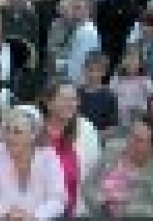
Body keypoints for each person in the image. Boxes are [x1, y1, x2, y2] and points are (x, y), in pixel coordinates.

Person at [83, 112, 153, 218]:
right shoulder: (112, 149)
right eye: (131, 135)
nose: (130, 141)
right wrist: (102, 202)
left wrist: (128, 210)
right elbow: (87, 185)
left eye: (139, 140)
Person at [0, 106, 67, 220]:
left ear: (33, 135)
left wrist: (35, 217)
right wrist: (5, 214)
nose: (10, 137)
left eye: (17, 132)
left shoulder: (48, 155)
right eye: (8, 131)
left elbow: (58, 198)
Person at [40, 78, 101, 217]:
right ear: (49, 103)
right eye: (63, 98)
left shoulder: (87, 129)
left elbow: (94, 172)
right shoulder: (36, 129)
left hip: (77, 209)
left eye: (73, 99)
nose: (70, 104)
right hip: (40, 208)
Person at [109, 43, 153, 129]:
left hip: (138, 123)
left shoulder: (145, 81)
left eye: (134, 58)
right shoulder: (116, 79)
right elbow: (110, 97)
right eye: (127, 58)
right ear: (122, 61)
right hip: (118, 123)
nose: (130, 62)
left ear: (141, 62)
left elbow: (151, 99)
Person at [78, 50, 119, 139]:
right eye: (90, 70)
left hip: (97, 142)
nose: (93, 74)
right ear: (84, 69)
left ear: (104, 72)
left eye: (98, 71)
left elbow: (113, 127)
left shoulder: (110, 96)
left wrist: (94, 137)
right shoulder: (76, 93)